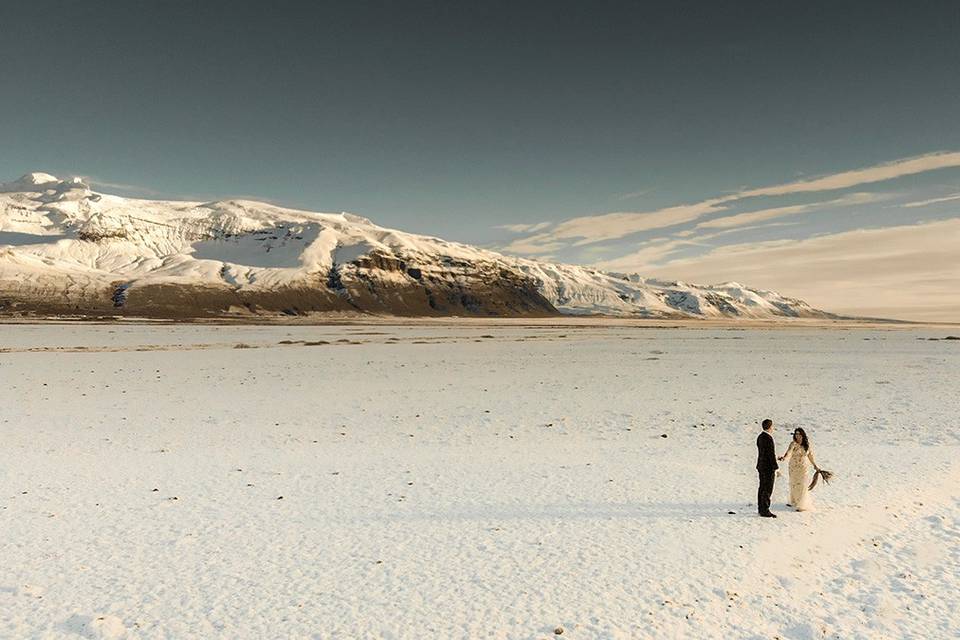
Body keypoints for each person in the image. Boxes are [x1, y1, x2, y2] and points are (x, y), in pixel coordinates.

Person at [779, 427, 822, 511]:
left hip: (803, 467)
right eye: (796, 434)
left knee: (802, 484)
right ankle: (794, 500)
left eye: (799, 434)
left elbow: (810, 455)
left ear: (802, 435)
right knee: (793, 483)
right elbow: (789, 452)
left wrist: (815, 465)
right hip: (793, 467)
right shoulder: (793, 444)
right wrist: (784, 458)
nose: (797, 436)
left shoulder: (807, 445)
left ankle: (801, 504)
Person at [755, 418, 778, 518]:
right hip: (768, 467)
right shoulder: (768, 438)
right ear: (770, 427)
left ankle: (761, 508)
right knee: (768, 488)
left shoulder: (760, 437)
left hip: (761, 465)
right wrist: (775, 467)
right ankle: (765, 509)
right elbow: (770, 454)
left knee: (762, 487)